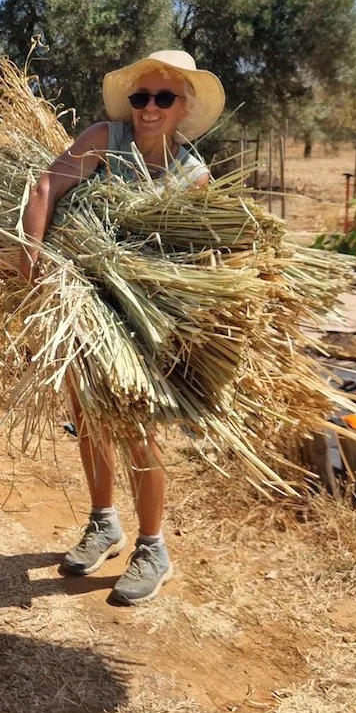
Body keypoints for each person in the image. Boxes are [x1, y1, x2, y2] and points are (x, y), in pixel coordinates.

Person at [19, 50, 224, 606]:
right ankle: (104, 522)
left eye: (163, 99)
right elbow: (44, 190)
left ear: (183, 108)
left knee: (138, 427)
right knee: (87, 415)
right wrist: (33, 266)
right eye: (141, 97)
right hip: (86, 302)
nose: (149, 109)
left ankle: (154, 547)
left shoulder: (192, 177)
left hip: (144, 316)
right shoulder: (103, 140)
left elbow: (203, 258)